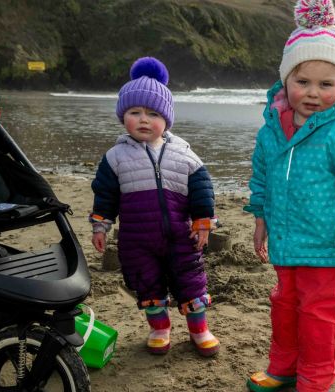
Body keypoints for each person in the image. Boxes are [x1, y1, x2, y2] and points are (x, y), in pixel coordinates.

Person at [244, 0, 335, 390]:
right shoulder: (271, 130)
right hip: (287, 243)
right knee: (285, 308)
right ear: (285, 80)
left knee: (321, 317)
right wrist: (260, 217)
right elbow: (261, 177)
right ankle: (283, 368)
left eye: (326, 84)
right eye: (302, 81)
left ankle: (315, 380)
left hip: (329, 247)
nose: (312, 93)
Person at [89, 57, 219, 357]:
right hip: (137, 239)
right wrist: (100, 226)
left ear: (167, 119)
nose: (144, 119)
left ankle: (200, 330)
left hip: (181, 235)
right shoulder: (115, 157)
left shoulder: (184, 153)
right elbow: (104, 196)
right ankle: (159, 329)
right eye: (135, 112)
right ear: (124, 117)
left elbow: (202, 190)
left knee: (192, 281)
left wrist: (202, 223)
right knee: (147, 284)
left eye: (153, 113)